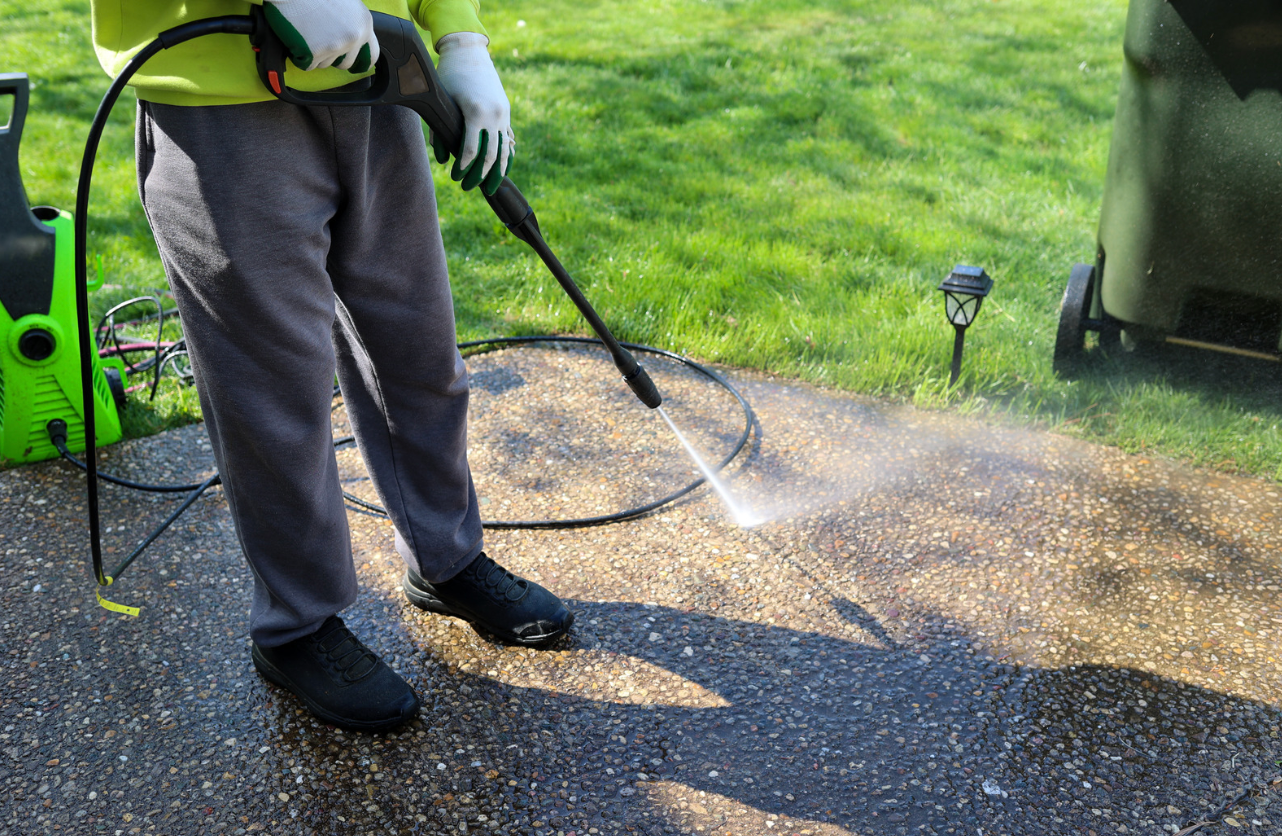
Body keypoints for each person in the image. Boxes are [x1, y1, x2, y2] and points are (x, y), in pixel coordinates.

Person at [90, 0, 574, 733]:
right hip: (223, 105)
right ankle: (297, 626)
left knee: (417, 355)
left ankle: (444, 560)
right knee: (275, 396)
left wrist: (460, 37)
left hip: (378, 82)